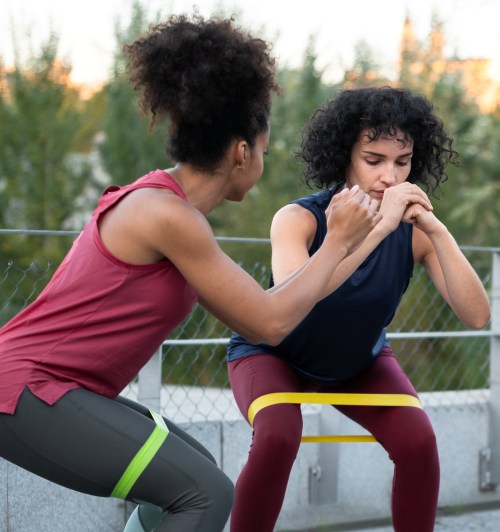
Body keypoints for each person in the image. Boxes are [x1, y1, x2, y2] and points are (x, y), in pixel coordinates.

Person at [0, 15, 380, 532]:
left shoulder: (175, 214)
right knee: (203, 494)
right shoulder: (166, 215)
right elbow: (270, 324)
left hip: (58, 388)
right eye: (264, 150)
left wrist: (353, 242)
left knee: (192, 475)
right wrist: (336, 240)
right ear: (242, 151)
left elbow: (274, 307)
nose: (263, 160)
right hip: (28, 387)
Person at [226, 86, 491, 531]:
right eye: (374, 160)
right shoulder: (297, 219)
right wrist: (378, 228)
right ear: (345, 155)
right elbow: (297, 298)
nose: (390, 176)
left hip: (357, 362)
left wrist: (439, 232)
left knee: (417, 441)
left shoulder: (415, 232)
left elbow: (478, 316)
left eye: (402, 162)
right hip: (273, 355)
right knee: (277, 436)